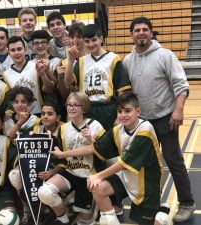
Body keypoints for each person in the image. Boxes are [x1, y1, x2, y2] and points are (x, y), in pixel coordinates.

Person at [53, 91, 169, 225]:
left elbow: (125, 162)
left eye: (127, 111)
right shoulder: (117, 130)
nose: (123, 115)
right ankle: (110, 220)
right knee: (96, 187)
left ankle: (161, 216)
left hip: (146, 181)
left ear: (138, 111)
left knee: (149, 221)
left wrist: (99, 175)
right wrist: (63, 154)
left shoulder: (146, 130)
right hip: (125, 176)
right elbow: (93, 148)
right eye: (120, 111)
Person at [123, 16, 195, 223]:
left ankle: (187, 202)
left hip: (165, 118)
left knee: (174, 161)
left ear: (151, 33)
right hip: (142, 123)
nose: (141, 33)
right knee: (145, 165)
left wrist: (178, 110)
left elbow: (181, 85)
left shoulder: (165, 55)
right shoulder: (128, 60)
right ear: (132, 34)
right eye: (137, 30)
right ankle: (149, 204)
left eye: (145, 29)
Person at [37, 92, 105, 225]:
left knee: (84, 222)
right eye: (69, 105)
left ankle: (94, 203)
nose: (71, 108)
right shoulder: (63, 129)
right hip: (70, 172)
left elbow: (104, 155)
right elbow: (61, 160)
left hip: (89, 176)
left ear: (84, 108)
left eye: (75, 105)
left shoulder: (96, 125)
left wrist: (91, 140)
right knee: (44, 192)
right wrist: (35, 138)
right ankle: (63, 219)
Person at [65, 24, 131, 130]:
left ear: (101, 39)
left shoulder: (114, 59)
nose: (90, 44)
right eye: (87, 41)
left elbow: (122, 91)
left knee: (109, 144)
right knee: (89, 142)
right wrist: (71, 60)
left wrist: (120, 114)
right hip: (87, 109)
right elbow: (68, 82)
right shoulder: (81, 61)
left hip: (108, 109)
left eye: (94, 40)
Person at [3, 36, 54, 115]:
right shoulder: (6, 75)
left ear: (25, 49)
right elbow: (9, 100)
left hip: (38, 113)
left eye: (19, 49)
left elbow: (50, 90)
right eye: (13, 50)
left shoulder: (36, 66)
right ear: (8, 52)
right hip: (19, 116)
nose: (16, 53)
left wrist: (43, 74)